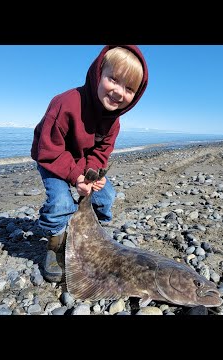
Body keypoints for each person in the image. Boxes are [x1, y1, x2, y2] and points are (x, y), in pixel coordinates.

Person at [31, 45, 149, 283]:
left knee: (106, 197)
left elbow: (101, 151)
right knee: (61, 202)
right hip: (52, 159)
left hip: (81, 164)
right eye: (113, 79)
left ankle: (87, 232)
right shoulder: (65, 104)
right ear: (98, 73)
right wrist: (76, 178)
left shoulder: (113, 122)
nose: (118, 91)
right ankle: (56, 244)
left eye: (129, 88)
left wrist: (92, 174)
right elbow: (50, 151)